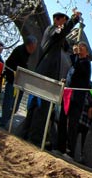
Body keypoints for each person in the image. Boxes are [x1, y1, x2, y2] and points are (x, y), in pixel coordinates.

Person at [25, 10, 81, 146]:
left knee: (41, 108)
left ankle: (31, 135)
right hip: (46, 74)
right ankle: (34, 138)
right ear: (57, 20)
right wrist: (74, 20)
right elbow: (60, 34)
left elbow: (65, 44)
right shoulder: (51, 30)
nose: (64, 24)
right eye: (63, 21)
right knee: (40, 108)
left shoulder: (56, 37)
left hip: (47, 73)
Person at [57, 42, 92, 156]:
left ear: (87, 52)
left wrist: (76, 55)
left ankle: (69, 150)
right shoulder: (75, 63)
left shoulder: (86, 63)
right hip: (67, 94)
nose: (80, 48)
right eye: (79, 46)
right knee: (62, 120)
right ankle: (60, 146)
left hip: (77, 98)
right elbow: (72, 73)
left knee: (72, 124)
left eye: (83, 47)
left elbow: (79, 70)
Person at [0, 36, 36, 129]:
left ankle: (6, 121)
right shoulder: (19, 50)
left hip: (20, 84)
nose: (34, 49)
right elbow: (9, 64)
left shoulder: (27, 55)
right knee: (8, 103)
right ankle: (3, 123)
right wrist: (12, 76)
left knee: (15, 106)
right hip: (12, 82)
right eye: (34, 47)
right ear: (30, 45)